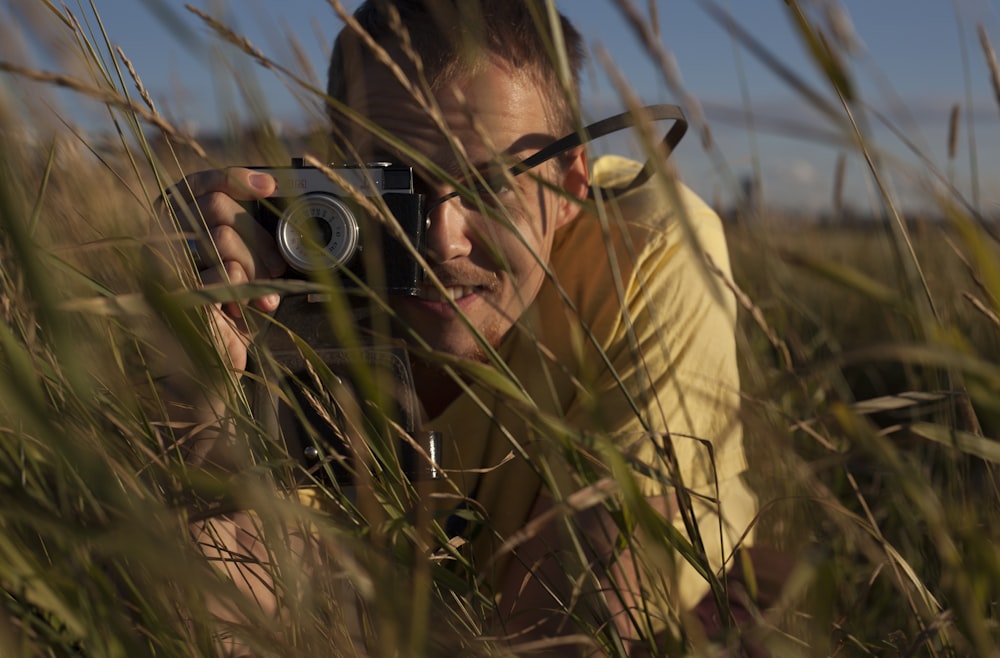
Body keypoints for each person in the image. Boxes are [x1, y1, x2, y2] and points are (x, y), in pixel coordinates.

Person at [161, 0, 761, 654]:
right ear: (335, 176)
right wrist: (196, 377)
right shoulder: (290, 259)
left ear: (572, 185)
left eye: (491, 185)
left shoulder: (648, 250)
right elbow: (216, 578)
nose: (442, 241)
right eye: (398, 183)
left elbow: (577, 630)